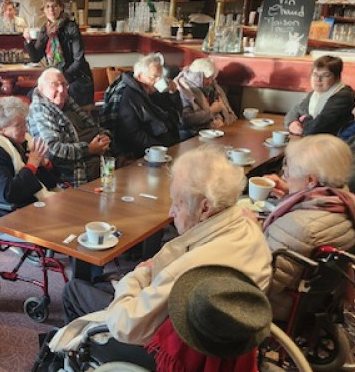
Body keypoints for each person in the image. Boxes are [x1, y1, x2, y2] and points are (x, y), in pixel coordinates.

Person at [49, 145, 272, 352]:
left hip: (164, 348)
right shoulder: (249, 228)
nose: (170, 213)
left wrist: (135, 276)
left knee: (74, 290)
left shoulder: (191, 269)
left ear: (205, 207)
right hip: (221, 336)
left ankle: (77, 360)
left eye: (177, 203)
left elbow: (126, 326)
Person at [262, 135, 355, 320]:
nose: (284, 175)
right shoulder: (349, 203)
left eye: (288, 170)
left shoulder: (297, 227)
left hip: (279, 305)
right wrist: (292, 193)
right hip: (319, 296)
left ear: (311, 180)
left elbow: (265, 281)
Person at [0, 96, 58, 240]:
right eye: (19, 126)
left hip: (32, 204)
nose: (26, 129)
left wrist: (44, 165)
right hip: (9, 214)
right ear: (2, 129)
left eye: (25, 123)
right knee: (71, 223)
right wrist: (31, 166)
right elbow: (8, 193)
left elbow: (51, 184)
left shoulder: (22, 142)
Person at [28, 68, 111, 188]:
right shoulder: (40, 111)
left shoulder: (69, 103)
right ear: (41, 89)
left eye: (64, 84)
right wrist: (89, 149)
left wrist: (105, 138)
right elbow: (53, 151)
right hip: (75, 173)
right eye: (55, 85)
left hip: (102, 160)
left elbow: (95, 127)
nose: (61, 90)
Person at [101, 53, 181, 159]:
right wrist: (160, 147)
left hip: (167, 143)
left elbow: (176, 114)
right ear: (140, 76)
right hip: (142, 152)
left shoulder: (152, 89)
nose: (159, 81)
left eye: (161, 77)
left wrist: (173, 93)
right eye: (155, 77)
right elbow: (131, 134)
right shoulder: (127, 95)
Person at [24, 0, 94, 107]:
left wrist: (62, 77)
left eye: (55, 6)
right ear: (44, 10)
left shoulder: (71, 27)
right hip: (56, 80)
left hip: (76, 79)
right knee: (32, 95)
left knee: (60, 97)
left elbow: (79, 61)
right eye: (47, 7)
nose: (51, 10)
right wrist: (28, 42)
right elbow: (36, 57)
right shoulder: (45, 30)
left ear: (61, 8)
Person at [284, 55, 354, 137]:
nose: (318, 79)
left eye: (325, 75)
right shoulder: (315, 93)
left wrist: (303, 120)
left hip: (333, 144)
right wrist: (292, 123)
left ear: (337, 78)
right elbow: (295, 110)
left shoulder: (343, 96)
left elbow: (315, 128)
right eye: (315, 74)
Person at [173, 57, 236, 137]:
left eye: (212, 78)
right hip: (192, 133)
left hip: (214, 131)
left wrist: (221, 120)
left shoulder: (214, 86)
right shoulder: (183, 88)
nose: (210, 82)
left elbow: (225, 110)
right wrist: (211, 111)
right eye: (207, 79)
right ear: (197, 77)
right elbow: (186, 119)